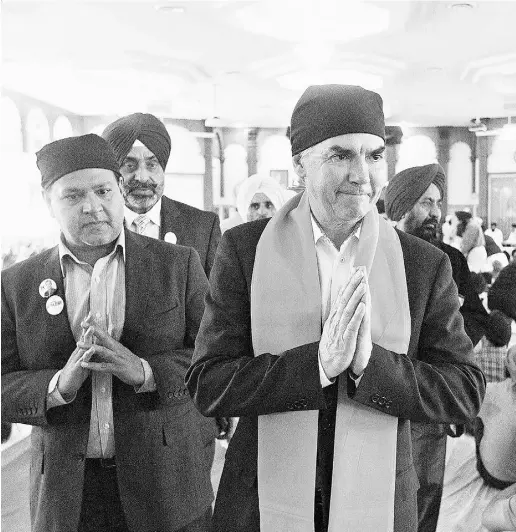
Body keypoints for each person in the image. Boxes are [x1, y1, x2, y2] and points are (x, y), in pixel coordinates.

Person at [186, 84, 485, 532]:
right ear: (299, 166)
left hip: (382, 498)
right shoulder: (246, 251)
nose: (362, 174)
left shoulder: (422, 263)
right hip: (261, 500)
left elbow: (464, 390)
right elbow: (208, 383)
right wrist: (318, 366)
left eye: (375, 155)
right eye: (341, 155)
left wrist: (372, 366)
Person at [1, 134, 216, 532]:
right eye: (73, 196)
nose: (92, 207)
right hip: (68, 495)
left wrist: (145, 372)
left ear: (119, 190)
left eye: (103, 190)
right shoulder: (16, 284)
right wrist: (58, 385)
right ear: (48, 201)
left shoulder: (177, 266)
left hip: (165, 484)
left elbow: (211, 359)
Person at [383, 163, 496, 532]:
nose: (434, 212)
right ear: (400, 206)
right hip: (382, 396)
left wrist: (456, 343)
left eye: (438, 203)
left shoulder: (452, 260)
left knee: (425, 499)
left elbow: (478, 317)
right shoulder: (378, 253)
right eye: (424, 202)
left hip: (432, 404)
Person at [102, 112, 221, 278]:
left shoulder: (203, 227)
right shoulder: (99, 224)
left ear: (163, 168)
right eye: (129, 165)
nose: (142, 177)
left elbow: (214, 298)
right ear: (115, 172)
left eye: (151, 165)